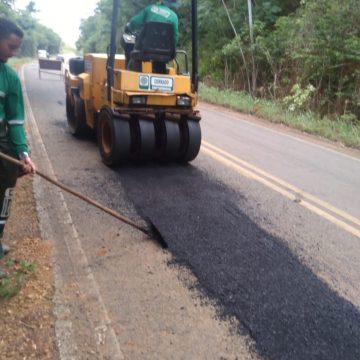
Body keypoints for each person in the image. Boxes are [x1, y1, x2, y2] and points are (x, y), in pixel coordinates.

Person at [0, 18, 36, 278]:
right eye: (11, 47)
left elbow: (14, 121)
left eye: (16, 48)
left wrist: (23, 153)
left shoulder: (10, 77)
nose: (13, 53)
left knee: (4, 195)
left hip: (2, 141)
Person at [124, 0, 180, 72]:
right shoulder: (174, 16)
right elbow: (175, 37)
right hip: (165, 53)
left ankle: (133, 72)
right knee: (160, 61)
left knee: (133, 53)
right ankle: (160, 74)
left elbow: (134, 23)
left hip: (144, 50)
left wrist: (128, 27)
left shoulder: (149, 9)